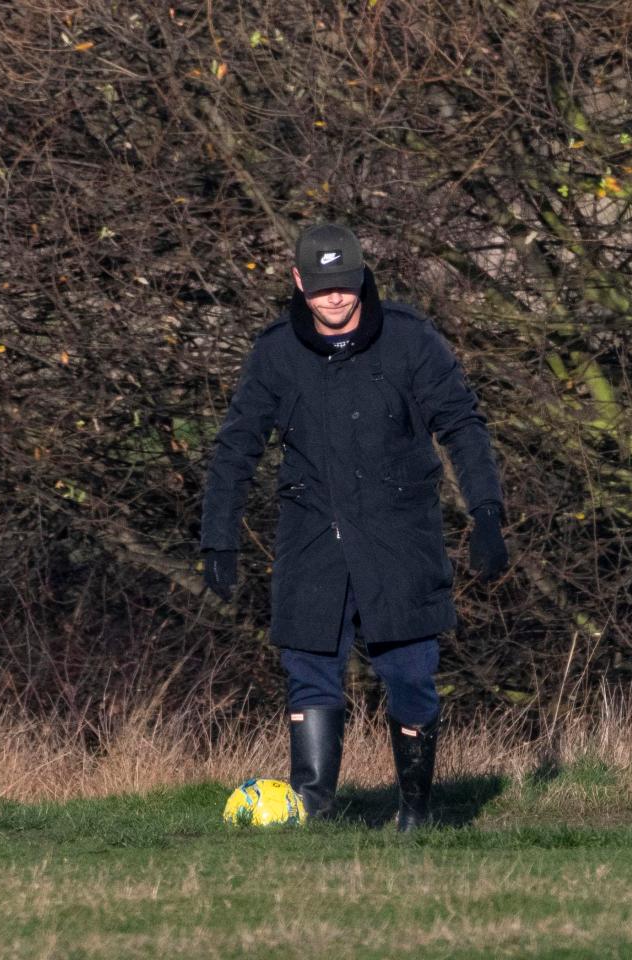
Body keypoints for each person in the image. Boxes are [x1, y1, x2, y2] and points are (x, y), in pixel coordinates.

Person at [200, 223, 508, 830]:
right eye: (321, 289)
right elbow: (236, 448)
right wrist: (219, 537)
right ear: (298, 283)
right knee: (308, 668)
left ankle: (416, 813)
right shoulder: (274, 354)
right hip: (311, 537)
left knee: (411, 672)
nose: (335, 299)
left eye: (345, 286)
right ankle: (313, 811)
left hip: (402, 537)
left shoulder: (412, 341)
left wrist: (488, 515)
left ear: (363, 278)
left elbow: (463, 428)